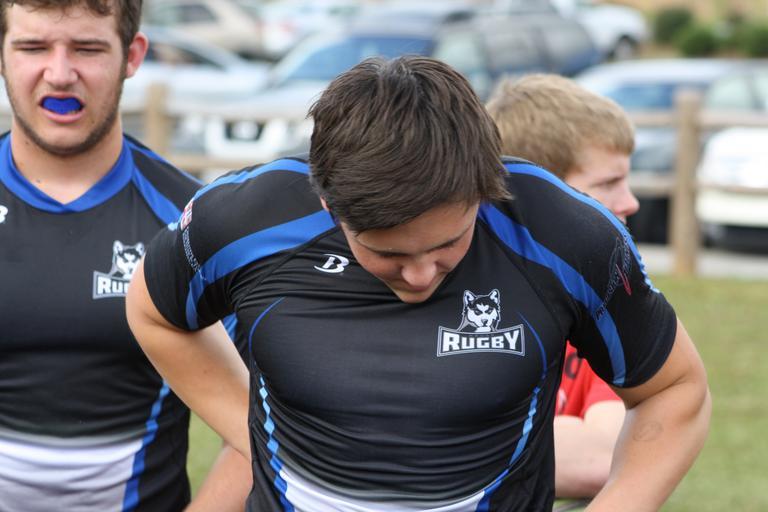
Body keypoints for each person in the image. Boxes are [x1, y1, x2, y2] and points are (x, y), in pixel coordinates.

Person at [126, 56, 711, 512]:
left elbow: (675, 389)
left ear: (485, 190)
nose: (420, 274)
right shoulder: (245, 221)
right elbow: (154, 312)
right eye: (387, 253)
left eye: (448, 244)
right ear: (328, 204)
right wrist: (252, 433)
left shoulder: (565, 234)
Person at [0, 1, 250, 510]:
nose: (60, 74)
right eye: (33, 47)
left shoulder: (192, 222)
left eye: (87, 48)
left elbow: (263, 429)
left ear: (132, 56)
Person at [486, 73, 640, 500]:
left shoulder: (605, 309)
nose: (630, 202)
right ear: (537, 193)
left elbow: (603, 457)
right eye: (608, 184)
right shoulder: (459, 297)